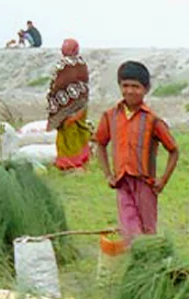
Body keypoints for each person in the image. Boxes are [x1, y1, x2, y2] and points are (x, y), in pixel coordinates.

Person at [94, 61, 180, 240]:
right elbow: (100, 144)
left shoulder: (152, 120)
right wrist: (108, 175)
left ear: (146, 89)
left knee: (148, 229)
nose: (130, 91)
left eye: (136, 86)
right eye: (125, 86)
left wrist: (163, 180)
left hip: (145, 183)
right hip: (121, 181)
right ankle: (134, 258)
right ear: (119, 86)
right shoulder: (110, 116)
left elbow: (173, 150)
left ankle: (150, 262)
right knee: (129, 227)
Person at [47, 38, 92, 171]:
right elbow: (84, 83)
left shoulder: (62, 65)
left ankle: (67, 162)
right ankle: (81, 160)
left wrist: (54, 101)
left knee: (67, 135)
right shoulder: (82, 63)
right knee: (80, 132)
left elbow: (56, 86)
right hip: (81, 105)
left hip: (65, 107)